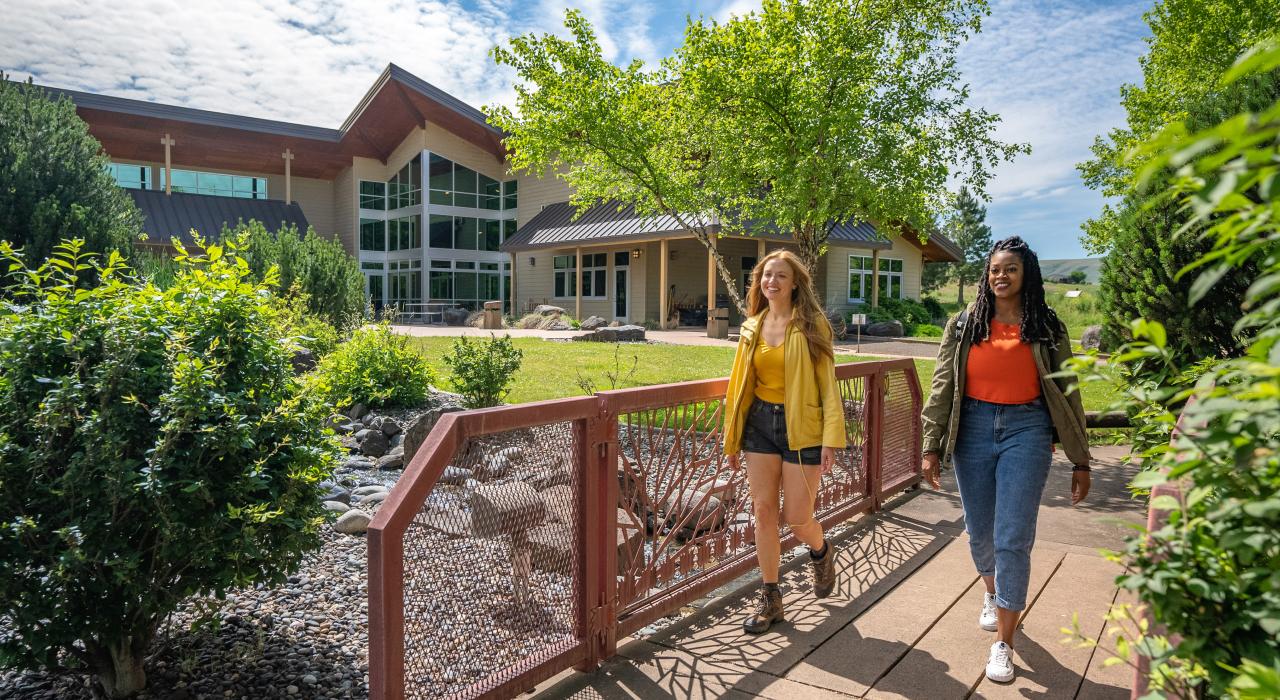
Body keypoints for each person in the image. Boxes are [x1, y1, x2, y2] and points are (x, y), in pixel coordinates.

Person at [921, 235, 1092, 683]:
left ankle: (1004, 642)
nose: (1001, 276)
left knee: (1012, 535)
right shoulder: (964, 325)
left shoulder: (1047, 326)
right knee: (980, 533)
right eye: (995, 269)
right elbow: (942, 385)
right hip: (972, 429)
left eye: (1010, 269)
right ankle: (994, 593)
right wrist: (930, 445)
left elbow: (1068, 390)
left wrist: (1081, 460)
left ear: (1026, 275)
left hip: (1028, 429)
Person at [723, 249, 847, 635]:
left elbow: (828, 384)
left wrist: (831, 439)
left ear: (795, 284)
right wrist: (732, 440)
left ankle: (821, 551)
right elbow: (738, 388)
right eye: (766, 275)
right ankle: (771, 598)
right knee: (763, 512)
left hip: (802, 428)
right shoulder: (751, 327)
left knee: (797, 518)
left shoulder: (812, 325)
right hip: (760, 426)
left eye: (780, 276)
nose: (771, 282)